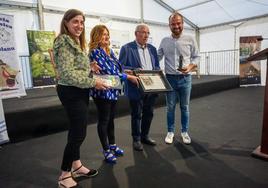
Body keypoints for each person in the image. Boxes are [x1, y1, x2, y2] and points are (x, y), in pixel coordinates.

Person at [53, 9, 108, 188]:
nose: (80, 26)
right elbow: (67, 74)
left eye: (82, 22)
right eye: (75, 21)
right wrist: (93, 82)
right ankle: (64, 175)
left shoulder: (74, 40)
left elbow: (76, 68)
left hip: (78, 90)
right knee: (78, 134)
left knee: (76, 131)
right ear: (66, 22)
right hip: (71, 91)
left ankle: (76, 166)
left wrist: (89, 67)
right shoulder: (63, 41)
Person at [89, 25, 139, 163]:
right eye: (103, 34)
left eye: (107, 34)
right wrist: (128, 77)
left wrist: (128, 72)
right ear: (96, 36)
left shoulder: (109, 51)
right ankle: (106, 151)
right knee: (104, 120)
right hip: (102, 90)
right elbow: (108, 72)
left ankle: (112, 145)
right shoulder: (94, 52)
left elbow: (118, 67)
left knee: (111, 120)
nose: (106, 37)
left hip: (113, 89)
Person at [158, 12, 200, 145]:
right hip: (170, 79)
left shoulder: (190, 38)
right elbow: (157, 56)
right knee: (170, 107)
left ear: (183, 24)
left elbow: (196, 56)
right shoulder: (164, 41)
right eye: (173, 24)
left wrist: (190, 67)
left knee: (185, 107)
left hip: (185, 78)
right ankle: (170, 132)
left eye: (178, 23)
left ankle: (184, 132)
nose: (176, 26)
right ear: (169, 25)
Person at [119, 24, 160, 151]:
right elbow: (121, 68)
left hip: (151, 86)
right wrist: (134, 70)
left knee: (149, 113)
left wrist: (158, 73)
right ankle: (136, 139)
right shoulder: (126, 48)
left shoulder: (153, 49)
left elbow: (156, 66)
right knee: (136, 114)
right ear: (136, 34)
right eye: (143, 32)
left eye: (148, 33)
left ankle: (145, 136)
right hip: (135, 86)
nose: (146, 35)